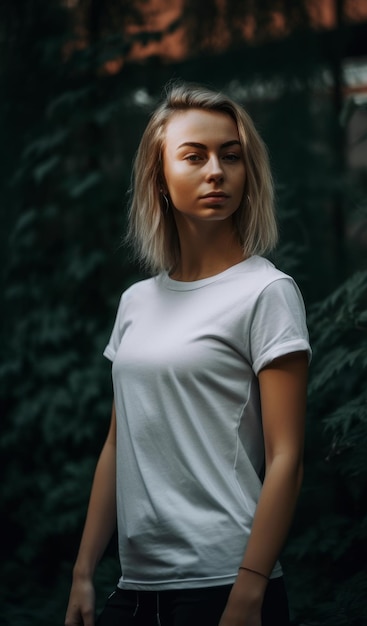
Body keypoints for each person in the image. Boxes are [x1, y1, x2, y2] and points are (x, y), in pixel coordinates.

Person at [64, 82, 311, 626]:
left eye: (231, 155)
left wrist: (249, 592)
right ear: (160, 176)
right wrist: (84, 571)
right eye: (194, 156)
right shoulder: (135, 303)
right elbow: (116, 443)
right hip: (135, 587)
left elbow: (287, 458)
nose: (216, 171)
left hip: (225, 582)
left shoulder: (266, 293)